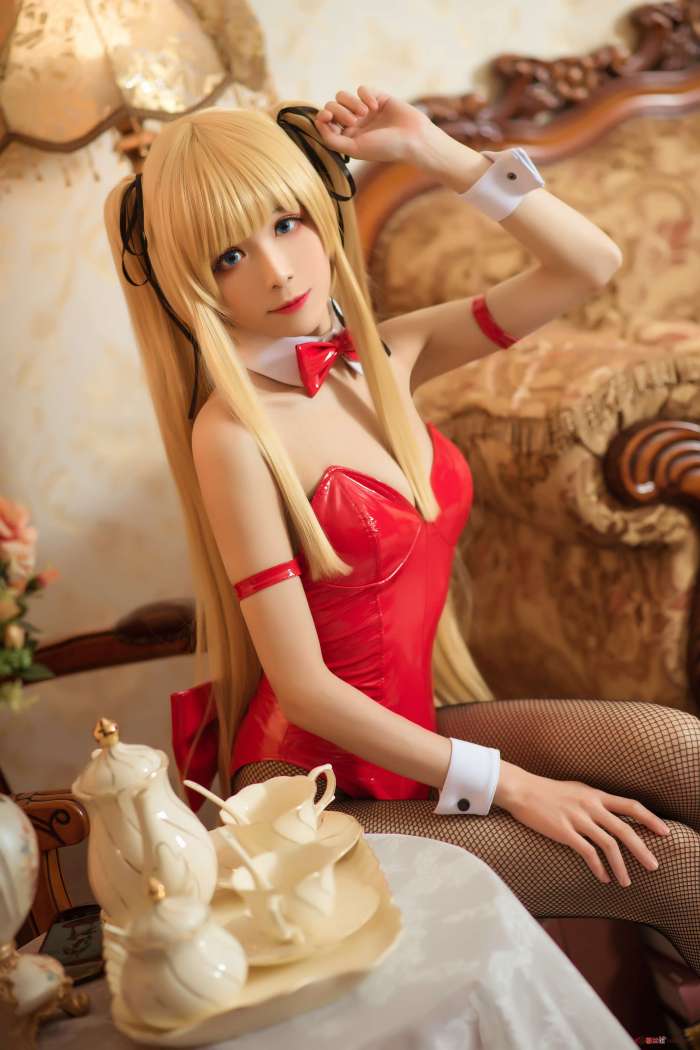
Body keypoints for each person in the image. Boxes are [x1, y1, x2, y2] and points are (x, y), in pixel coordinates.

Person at [104, 85, 699, 995]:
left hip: (414, 730)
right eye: (230, 254)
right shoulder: (231, 435)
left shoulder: (389, 356)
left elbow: (590, 262)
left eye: (287, 223)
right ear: (191, 283)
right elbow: (306, 690)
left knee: (681, 751)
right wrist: (514, 785)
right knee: (674, 869)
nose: (277, 270)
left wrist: (439, 153)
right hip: (311, 794)